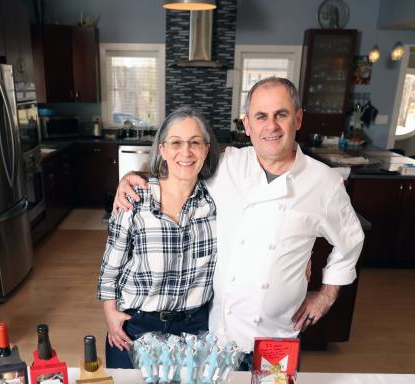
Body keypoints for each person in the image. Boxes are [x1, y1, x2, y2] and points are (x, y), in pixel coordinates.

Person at [114, 77, 365, 365]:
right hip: (219, 335)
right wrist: (135, 178)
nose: (270, 126)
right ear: (246, 125)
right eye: (261, 116)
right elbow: (180, 173)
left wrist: (326, 295)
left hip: (279, 335)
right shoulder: (227, 164)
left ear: (298, 119)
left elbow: (351, 241)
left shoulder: (325, 183)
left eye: (281, 115)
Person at [98, 106, 219, 368]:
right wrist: (109, 312)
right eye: (176, 142)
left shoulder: (217, 203)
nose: (185, 152)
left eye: (195, 143)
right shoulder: (134, 199)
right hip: (136, 326)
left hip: (194, 331)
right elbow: (111, 267)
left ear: (206, 149)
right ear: (162, 149)